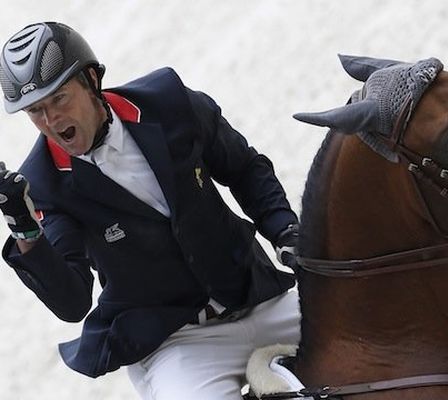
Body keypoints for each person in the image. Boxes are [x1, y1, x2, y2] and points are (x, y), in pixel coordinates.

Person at [0, 22, 300, 399]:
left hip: (259, 299)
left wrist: (286, 232)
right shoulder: (44, 183)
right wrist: (25, 229)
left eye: (59, 98)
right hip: (178, 344)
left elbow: (244, 168)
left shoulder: (169, 102)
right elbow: (73, 301)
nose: (51, 121)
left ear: (91, 79)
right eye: (35, 111)